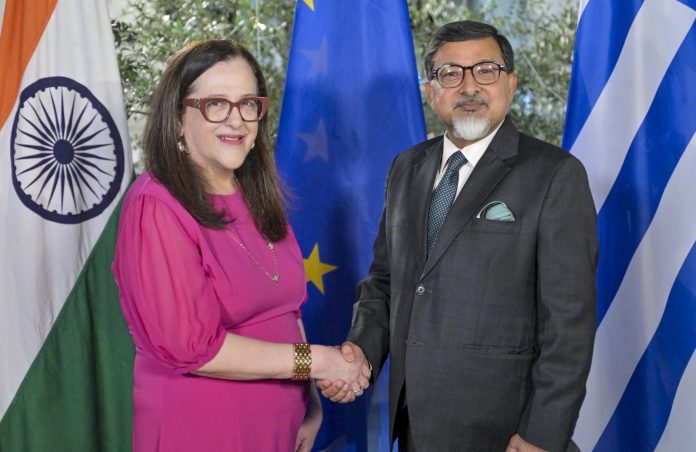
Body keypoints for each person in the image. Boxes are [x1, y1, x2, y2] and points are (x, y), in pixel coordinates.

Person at [317, 20, 598, 451]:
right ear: (431, 91)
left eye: (485, 70)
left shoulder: (555, 175)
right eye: (450, 74)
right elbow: (386, 282)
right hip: (413, 426)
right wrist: (361, 353)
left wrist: (542, 433)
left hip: (506, 432)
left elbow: (569, 322)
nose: (469, 86)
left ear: (510, 83)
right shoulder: (406, 167)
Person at [112, 40, 370, 452]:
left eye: (248, 104)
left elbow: (287, 311)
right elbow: (196, 350)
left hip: (282, 431)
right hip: (201, 431)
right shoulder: (155, 204)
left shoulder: (256, 196)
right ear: (177, 119)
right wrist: (320, 361)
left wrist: (311, 402)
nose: (236, 120)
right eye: (216, 104)